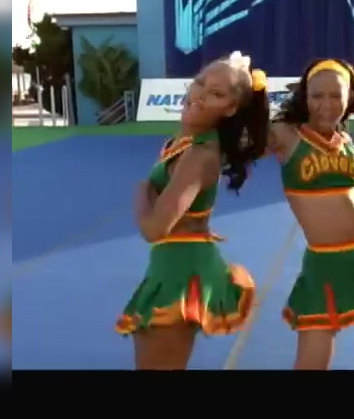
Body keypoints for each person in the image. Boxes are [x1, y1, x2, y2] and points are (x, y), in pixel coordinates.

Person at [116, 52, 270, 370]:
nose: (199, 95)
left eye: (216, 93)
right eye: (200, 83)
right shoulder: (185, 142)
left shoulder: (200, 154)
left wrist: (141, 192)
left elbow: (154, 229)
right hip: (171, 266)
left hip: (181, 274)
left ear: (230, 108)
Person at [269, 58, 354, 370]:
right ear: (305, 96)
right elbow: (243, 145)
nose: (326, 105)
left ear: (350, 98)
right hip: (326, 257)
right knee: (313, 359)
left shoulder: (344, 140)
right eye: (317, 95)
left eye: (336, 95)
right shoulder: (286, 134)